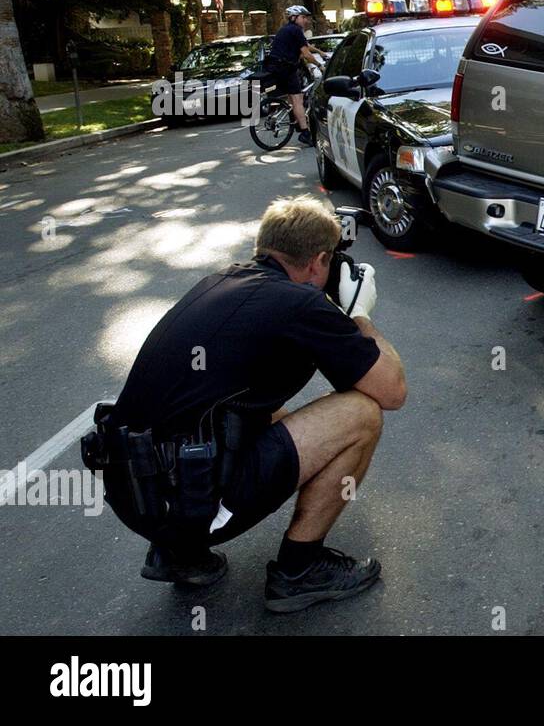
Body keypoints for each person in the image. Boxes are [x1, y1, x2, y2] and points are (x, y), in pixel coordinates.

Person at [102, 195, 407, 612]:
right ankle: (299, 571)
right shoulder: (300, 303)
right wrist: (358, 314)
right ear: (319, 260)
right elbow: (391, 392)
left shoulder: (219, 281)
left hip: (132, 493)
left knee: (261, 413)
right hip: (183, 501)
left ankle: (178, 554)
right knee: (360, 414)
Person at [266, 5, 324, 146]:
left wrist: (321, 52)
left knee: (292, 98)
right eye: (303, 17)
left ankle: (298, 123)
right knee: (298, 99)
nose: (306, 21)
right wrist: (319, 65)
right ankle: (305, 132)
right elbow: (306, 54)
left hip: (276, 68)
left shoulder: (286, 30)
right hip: (286, 68)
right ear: (294, 18)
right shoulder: (296, 30)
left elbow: (306, 45)